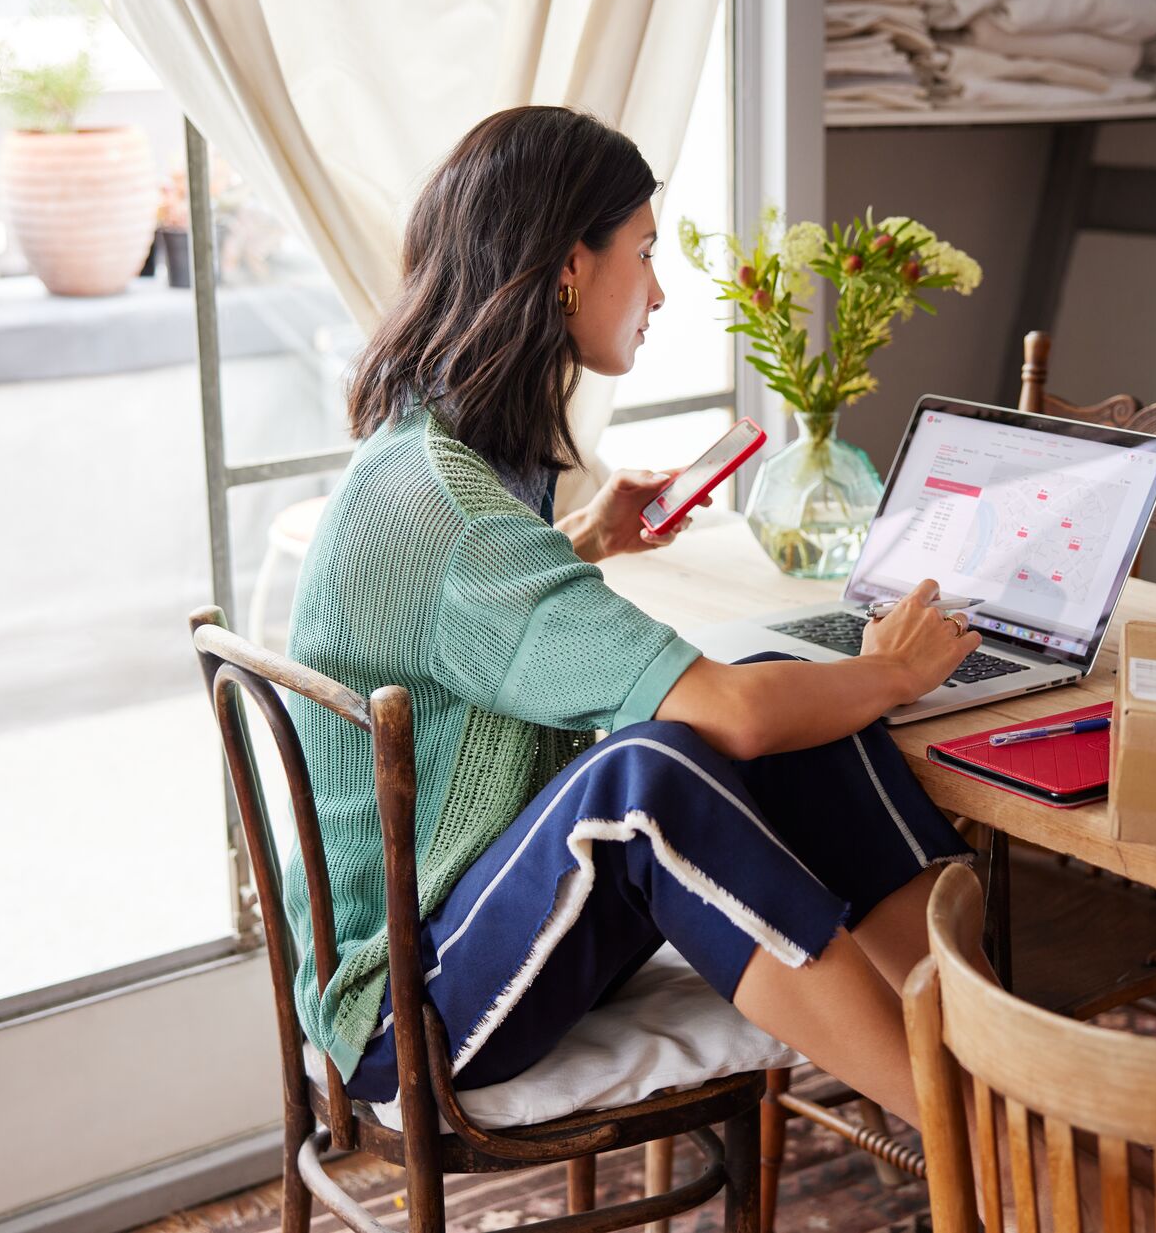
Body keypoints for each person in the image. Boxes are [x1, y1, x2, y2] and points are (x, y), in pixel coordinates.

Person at [279, 103, 985, 1136]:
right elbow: (729, 714)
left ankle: (974, 1048)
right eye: (645, 253)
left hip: (470, 918)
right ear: (571, 265)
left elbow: (459, 638)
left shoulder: (441, 457)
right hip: (403, 1004)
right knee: (660, 771)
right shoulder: (451, 505)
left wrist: (579, 544)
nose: (658, 290)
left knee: (796, 727)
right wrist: (891, 673)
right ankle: (975, 1137)